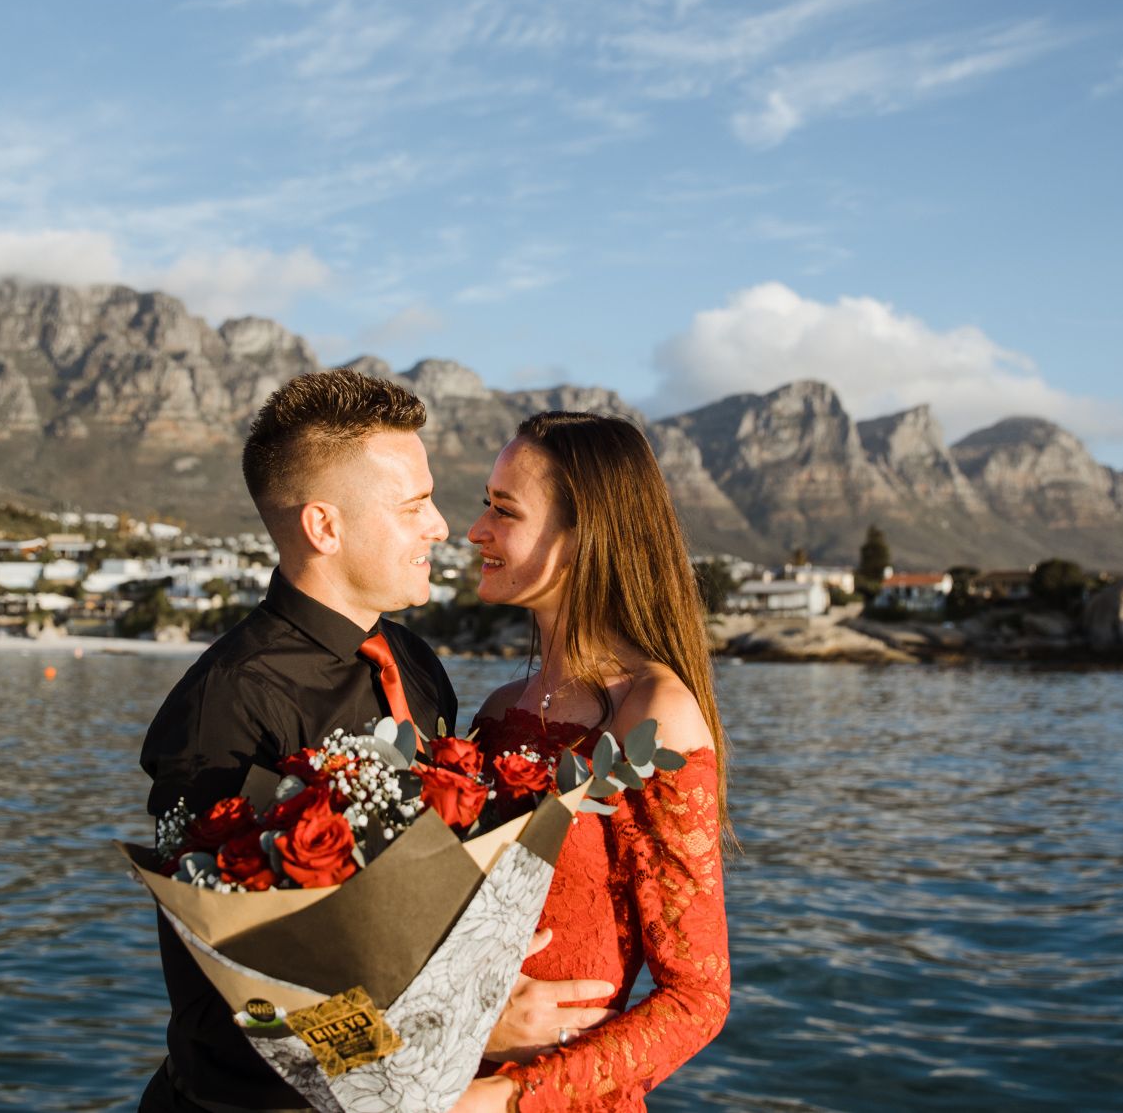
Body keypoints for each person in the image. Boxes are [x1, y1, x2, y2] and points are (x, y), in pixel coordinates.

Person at [136, 371, 616, 1112]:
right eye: (414, 505)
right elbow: (226, 1009)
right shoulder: (226, 707)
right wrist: (455, 1026)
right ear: (324, 527)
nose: (441, 526)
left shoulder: (418, 666)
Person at [449, 411, 731, 1113]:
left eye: (503, 509)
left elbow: (699, 998)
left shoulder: (653, 714)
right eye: (485, 503)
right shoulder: (494, 712)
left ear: (582, 537)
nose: (476, 529)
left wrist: (504, 1097)